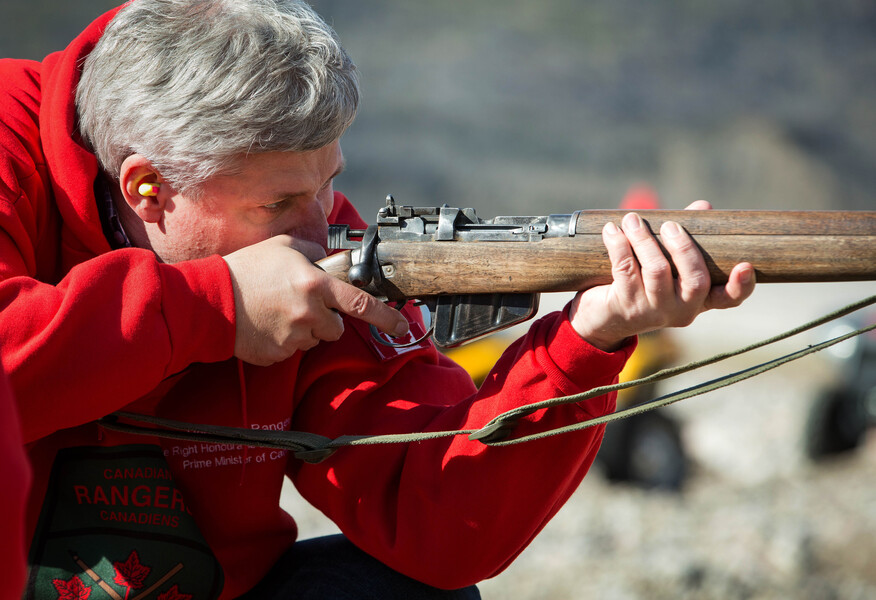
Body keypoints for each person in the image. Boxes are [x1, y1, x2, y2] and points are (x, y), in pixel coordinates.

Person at [0, 0, 755, 598]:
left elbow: (442, 527)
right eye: (280, 203)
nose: (326, 226)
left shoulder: (319, 246)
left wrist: (588, 338)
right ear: (147, 187)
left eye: (330, 183)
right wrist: (212, 307)